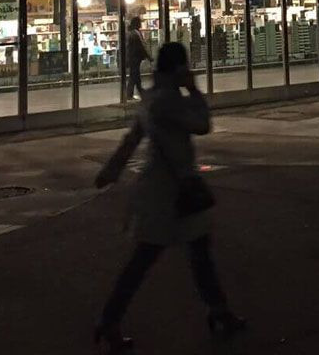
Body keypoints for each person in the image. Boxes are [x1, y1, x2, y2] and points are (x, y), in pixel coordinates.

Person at [93, 42, 245, 350]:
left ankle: (218, 310)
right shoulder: (171, 101)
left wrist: (111, 170)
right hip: (173, 193)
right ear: (178, 68)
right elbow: (202, 125)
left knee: (169, 257)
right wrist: (195, 90)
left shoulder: (151, 98)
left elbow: (132, 139)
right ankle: (110, 319)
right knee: (177, 257)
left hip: (157, 192)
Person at [124, 17, 149, 100]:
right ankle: (130, 94)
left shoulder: (133, 33)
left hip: (134, 58)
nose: (141, 24)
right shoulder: (135, 34)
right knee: (134, 75)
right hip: (135, 58)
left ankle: (139, 92)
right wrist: (148, 56)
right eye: (139, 22)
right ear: (136, 23)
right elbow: (140, 47)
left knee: (136, 75)